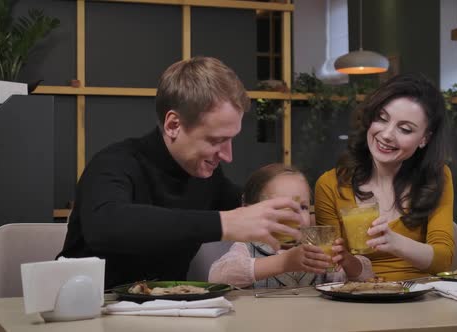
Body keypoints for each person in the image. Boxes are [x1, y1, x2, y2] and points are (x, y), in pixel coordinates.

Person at [58, 57, 304, 288]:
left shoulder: (208, 177)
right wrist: (223, 223)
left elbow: (247, 204)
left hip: (168, 312)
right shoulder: (113, 163)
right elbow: (107, 226)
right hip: (86, 309)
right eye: (216, 140)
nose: (228, 155)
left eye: (231, 140)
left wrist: (291, 214)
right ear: (173, 125)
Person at [314, 73, 454, 281]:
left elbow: (443, 259)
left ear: (424, 138)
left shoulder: (436, 176)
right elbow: (330, 267)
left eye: (405, 129)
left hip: (421, 297)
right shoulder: (330, 184)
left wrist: (395, 242)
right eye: (382, 118)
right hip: (357, 299)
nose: (387, 134)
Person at [208, 163, 374, 288]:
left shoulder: (317, 247)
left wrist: (345, 260)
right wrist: (285, 261)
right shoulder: (249, 248)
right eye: (282, 207)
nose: (294, 215)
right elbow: (218, 277)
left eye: (302, 207)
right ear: (252, 211)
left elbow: (366, 275)